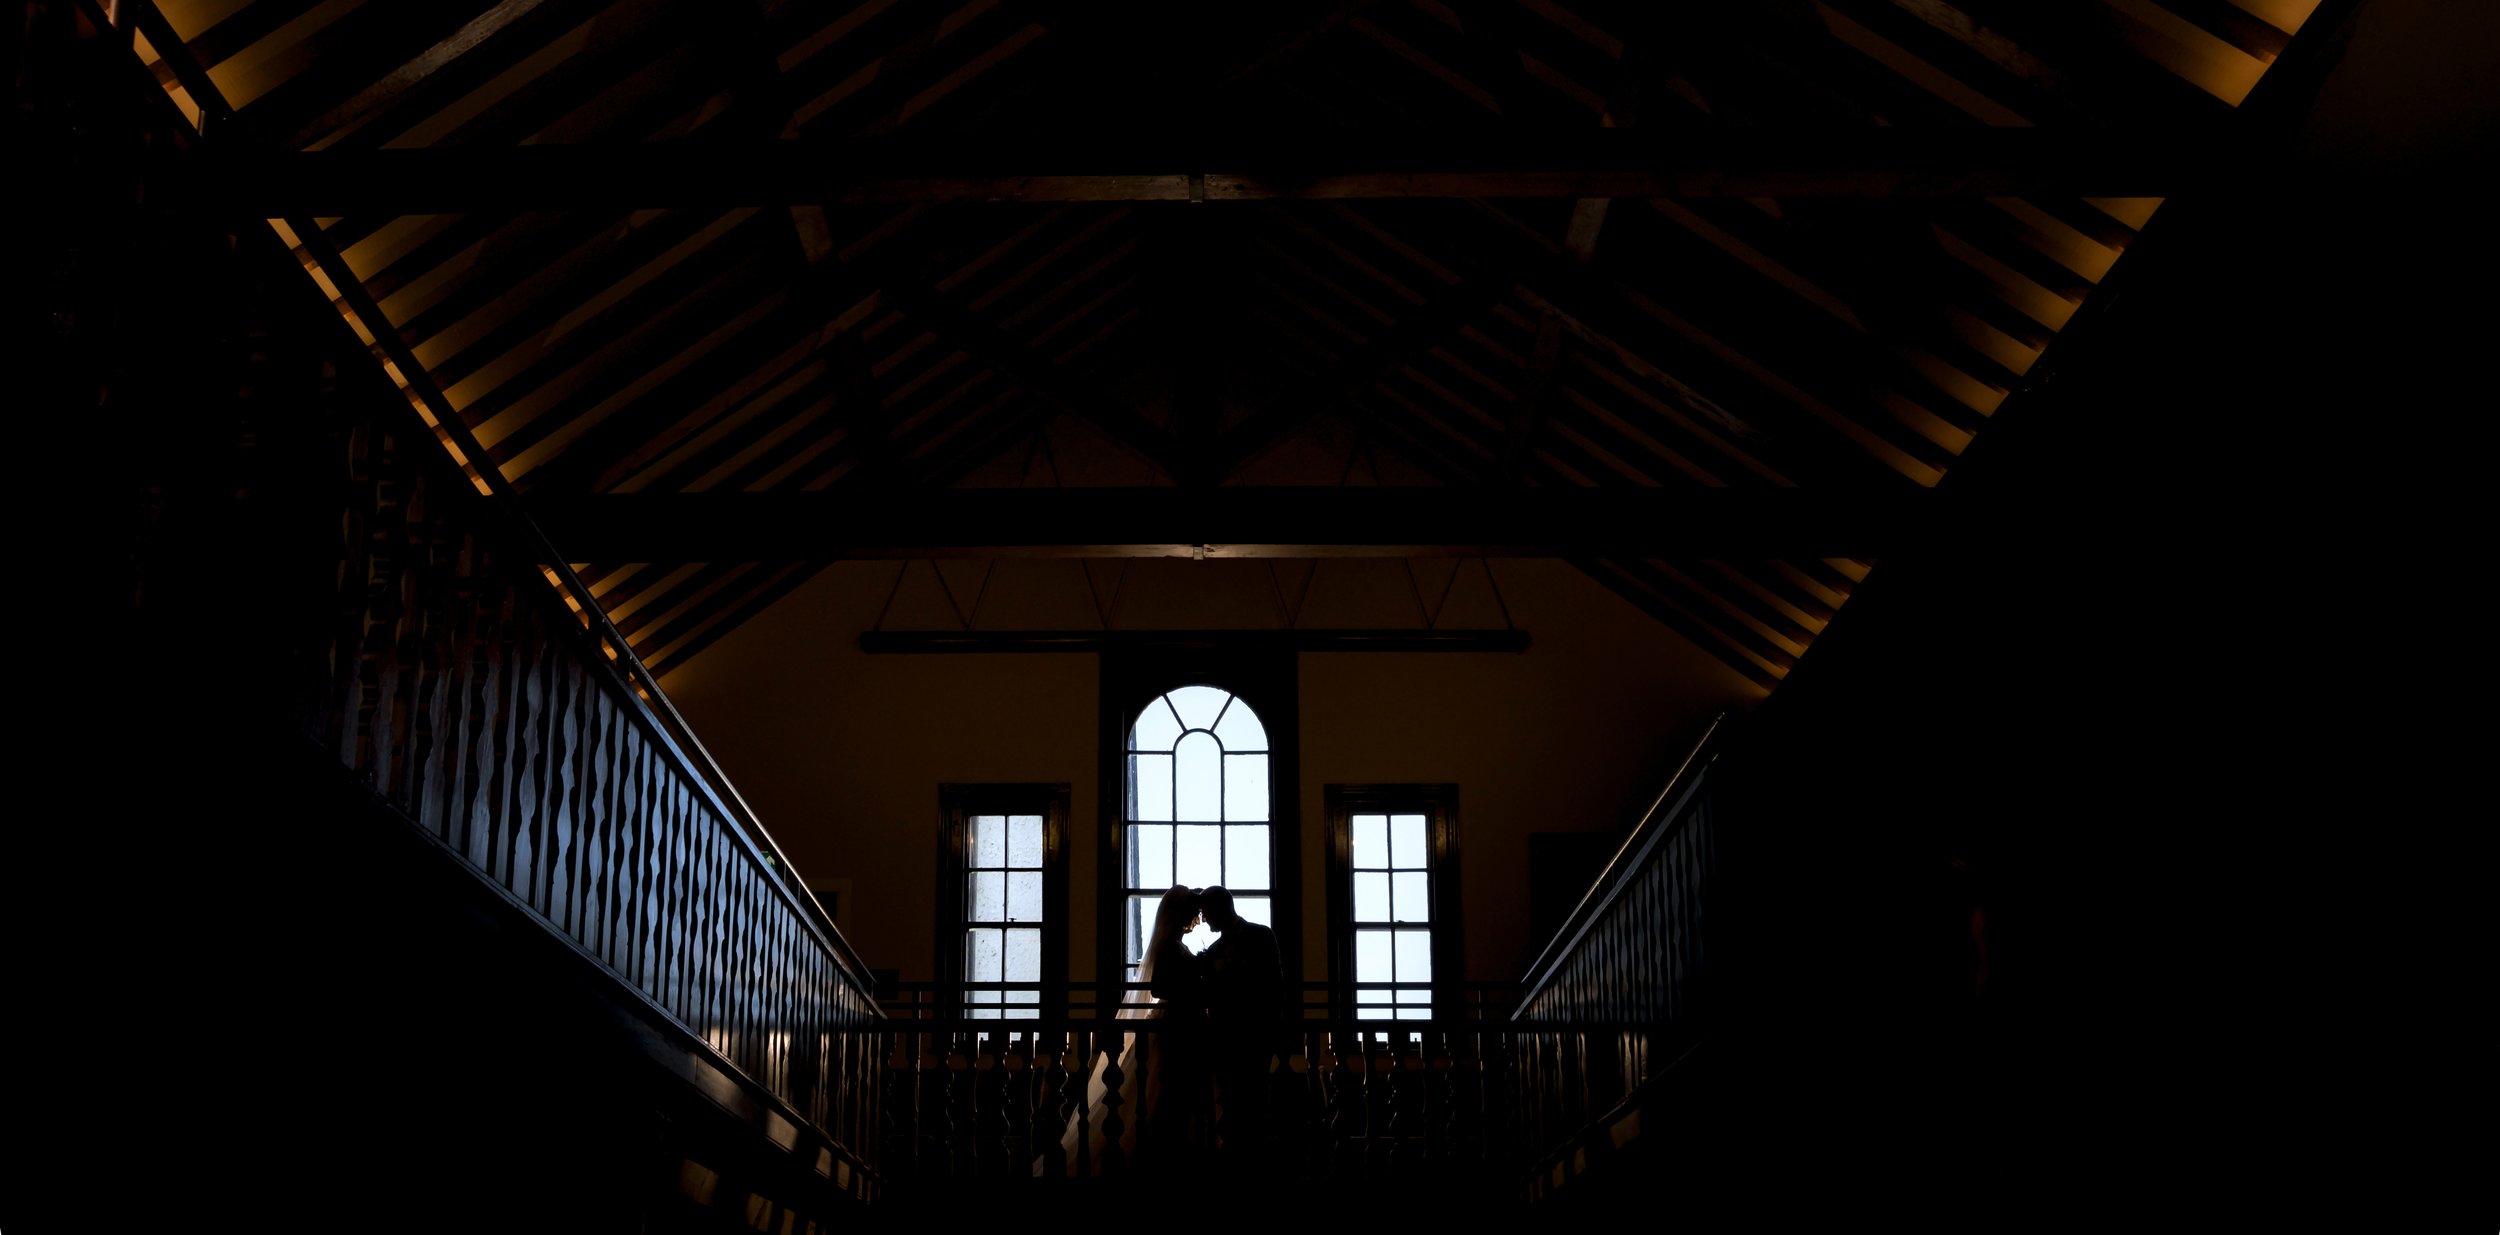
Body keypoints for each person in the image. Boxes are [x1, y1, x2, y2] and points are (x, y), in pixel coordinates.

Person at [1197, 885, 1283, 1168]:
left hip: (1255, 1036)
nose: (1204, 919)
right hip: (1223, 1040)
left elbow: (1274, 987)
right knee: (1229, 1105)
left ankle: (1252, 1164)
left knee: (1256, 1103)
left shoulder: (1261, 935)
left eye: (1207, 913)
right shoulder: (1214, 950)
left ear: (1221, 909)